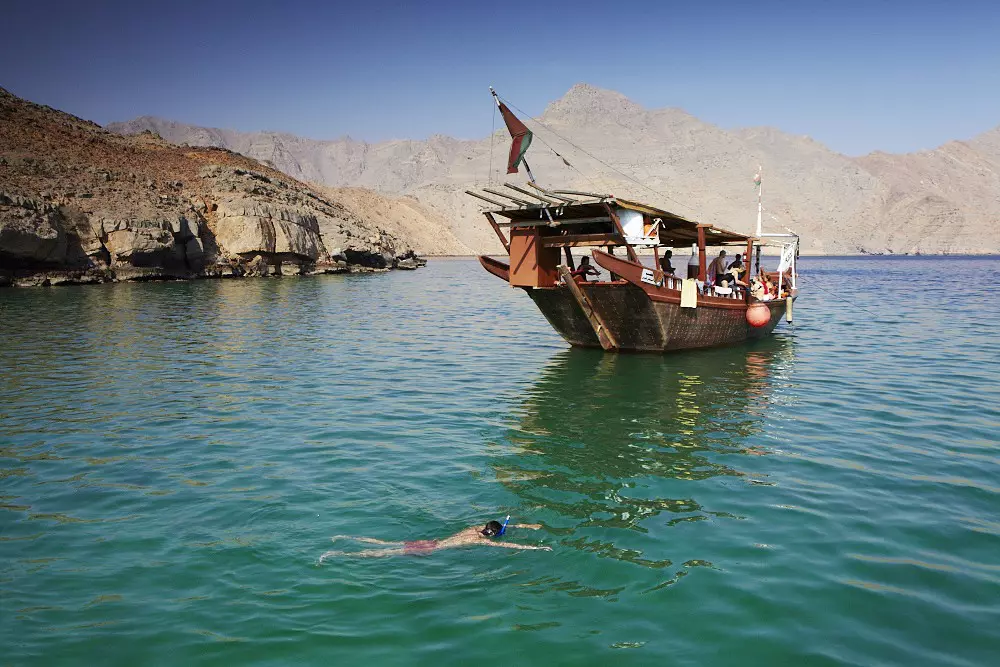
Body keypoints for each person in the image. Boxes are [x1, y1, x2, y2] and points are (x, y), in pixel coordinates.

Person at [319, 519, 550, 561]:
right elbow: (510, 544)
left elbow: (496, 527)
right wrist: (533, 547)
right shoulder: (482, 542)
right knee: (383, 554)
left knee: (383, 543)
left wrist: (522, 525)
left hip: (431, 540)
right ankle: (338, 555)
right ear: (494, 534)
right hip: (431, 550)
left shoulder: (473, 529)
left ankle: (344, 537)